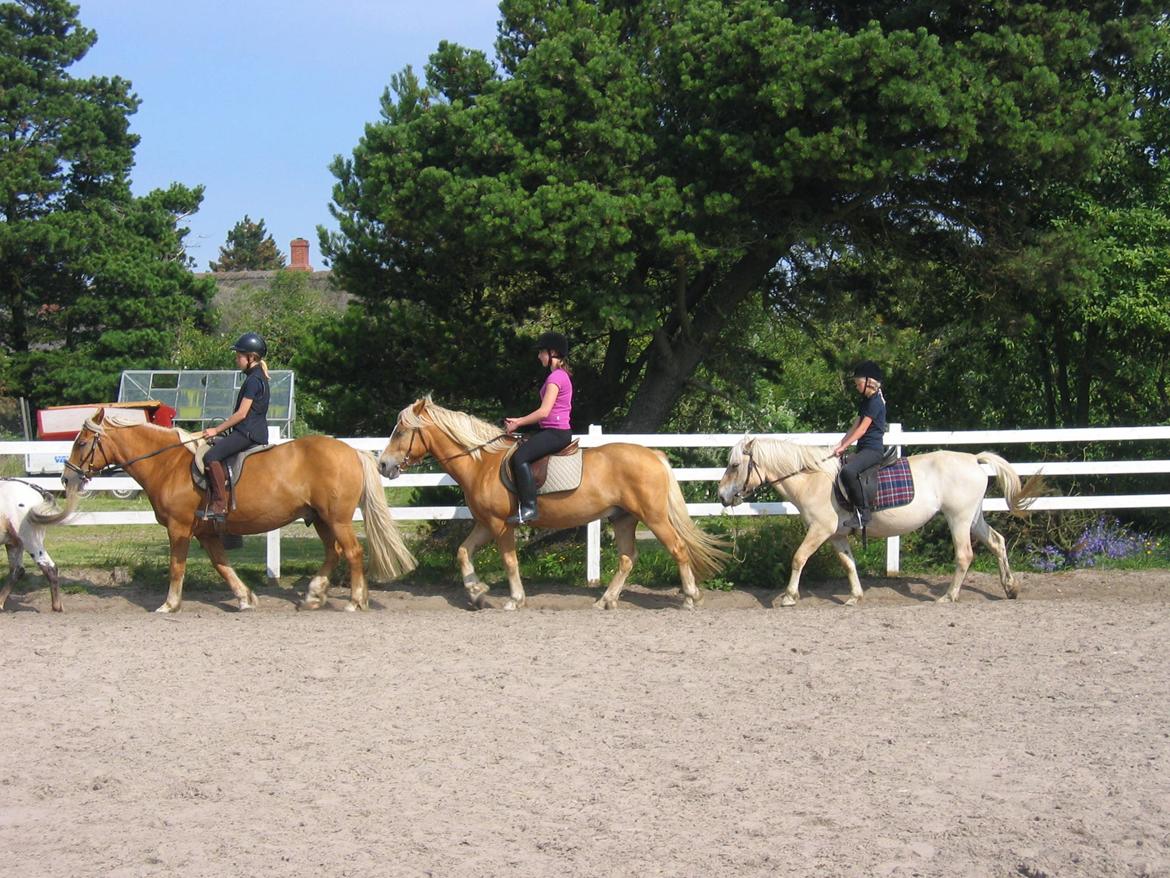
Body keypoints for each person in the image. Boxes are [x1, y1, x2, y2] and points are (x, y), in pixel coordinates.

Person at [197, 332, 271, 522]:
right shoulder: (258, 377)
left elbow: (241, 414)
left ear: (251, 357)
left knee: (211, 456)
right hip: (253, 431)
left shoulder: (253, 381)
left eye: (239, 356)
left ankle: (219, 505)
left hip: (247, 433)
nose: (237, 360)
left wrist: (216, 430)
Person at [503, 331, 574, 524]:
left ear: (553, 353)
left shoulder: (556, 378)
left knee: (520, 458)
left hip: (556, 433)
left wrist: (518, 422)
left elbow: (544, 412)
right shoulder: (558, 376)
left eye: (542, 352)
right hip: (551, 431)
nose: (539, 356)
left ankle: (529, 508)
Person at [832, 360, 887, 529]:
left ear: (869, 382)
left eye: (858, 383)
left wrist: (845, 447)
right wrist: (840, 444)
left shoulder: (875, 402)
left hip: (873, 450)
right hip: (863, 449)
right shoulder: (866, 401)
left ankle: (863, 513)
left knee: (848, 471)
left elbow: (862, 430)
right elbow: (855, 426)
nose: (856, 387)